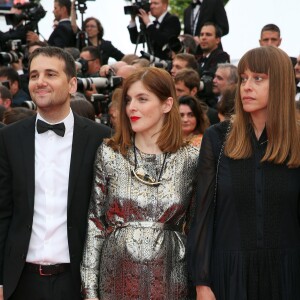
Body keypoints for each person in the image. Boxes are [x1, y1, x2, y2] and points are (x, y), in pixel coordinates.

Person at [188, 46, 300, 300]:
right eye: (244, 78)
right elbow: (203, 214)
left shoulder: (298, 140)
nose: (247, 86)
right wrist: (202, 282)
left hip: (287, 276)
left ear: (282, 83)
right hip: (228, 277)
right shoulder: (216, 138)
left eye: (258, 78)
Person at [0, 46, 111, 300]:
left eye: (50, 74)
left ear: (72, 84)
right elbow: (3, 213)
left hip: (78, 283)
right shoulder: (9, 138)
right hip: (21, 282)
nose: (40, 82)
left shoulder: (100, 139)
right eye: (34, 75)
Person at [80, 67, 199, 299]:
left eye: (142, 99)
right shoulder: (109, 153)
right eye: (128, 100)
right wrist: (89, 291)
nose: (131, 107)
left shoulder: (191, 159)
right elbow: (95, 224)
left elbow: (197, 230)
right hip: (115, 278)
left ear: (166, 104)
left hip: (173, 279)